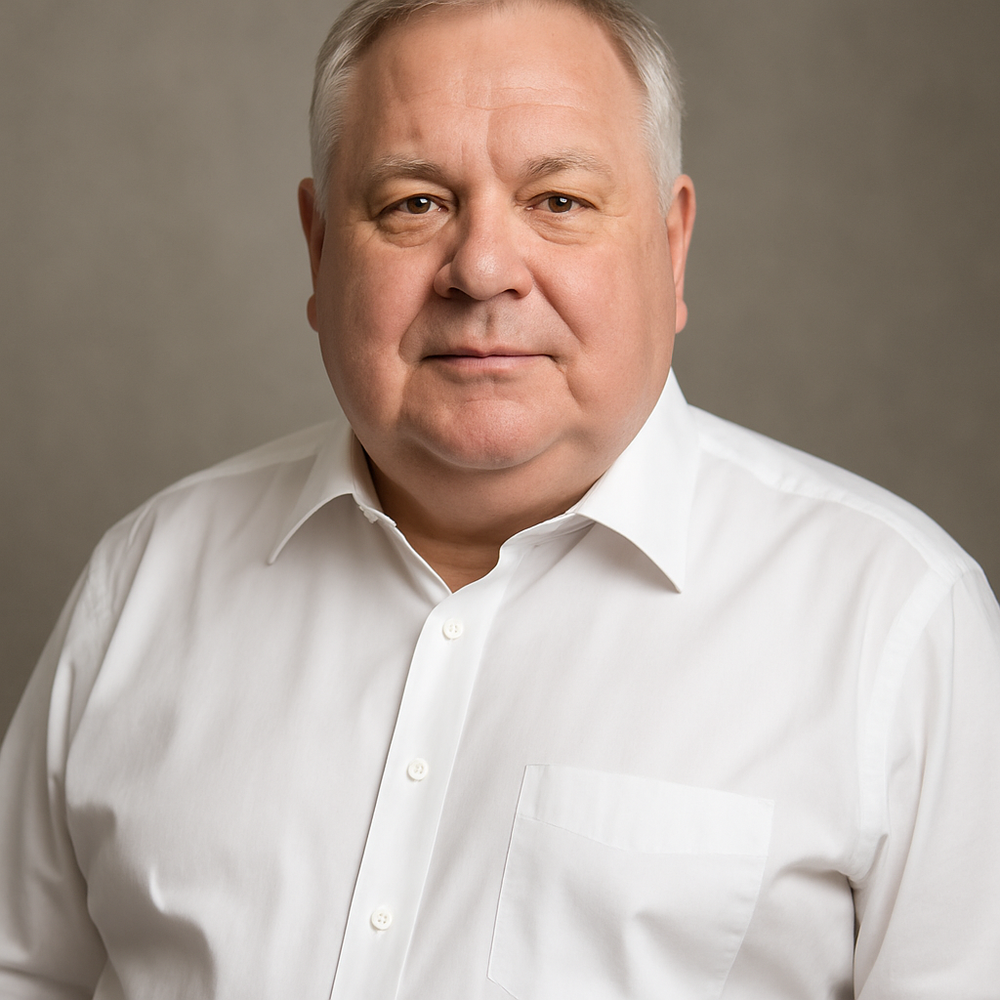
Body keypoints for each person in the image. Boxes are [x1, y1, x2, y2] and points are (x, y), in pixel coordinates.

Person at [1, 0, 998, 995]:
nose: (480, 268)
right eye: (414, 203)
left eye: (557, 200)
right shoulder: (144, 579)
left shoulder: (895, 626)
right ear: (316, 249)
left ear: (670, 241)